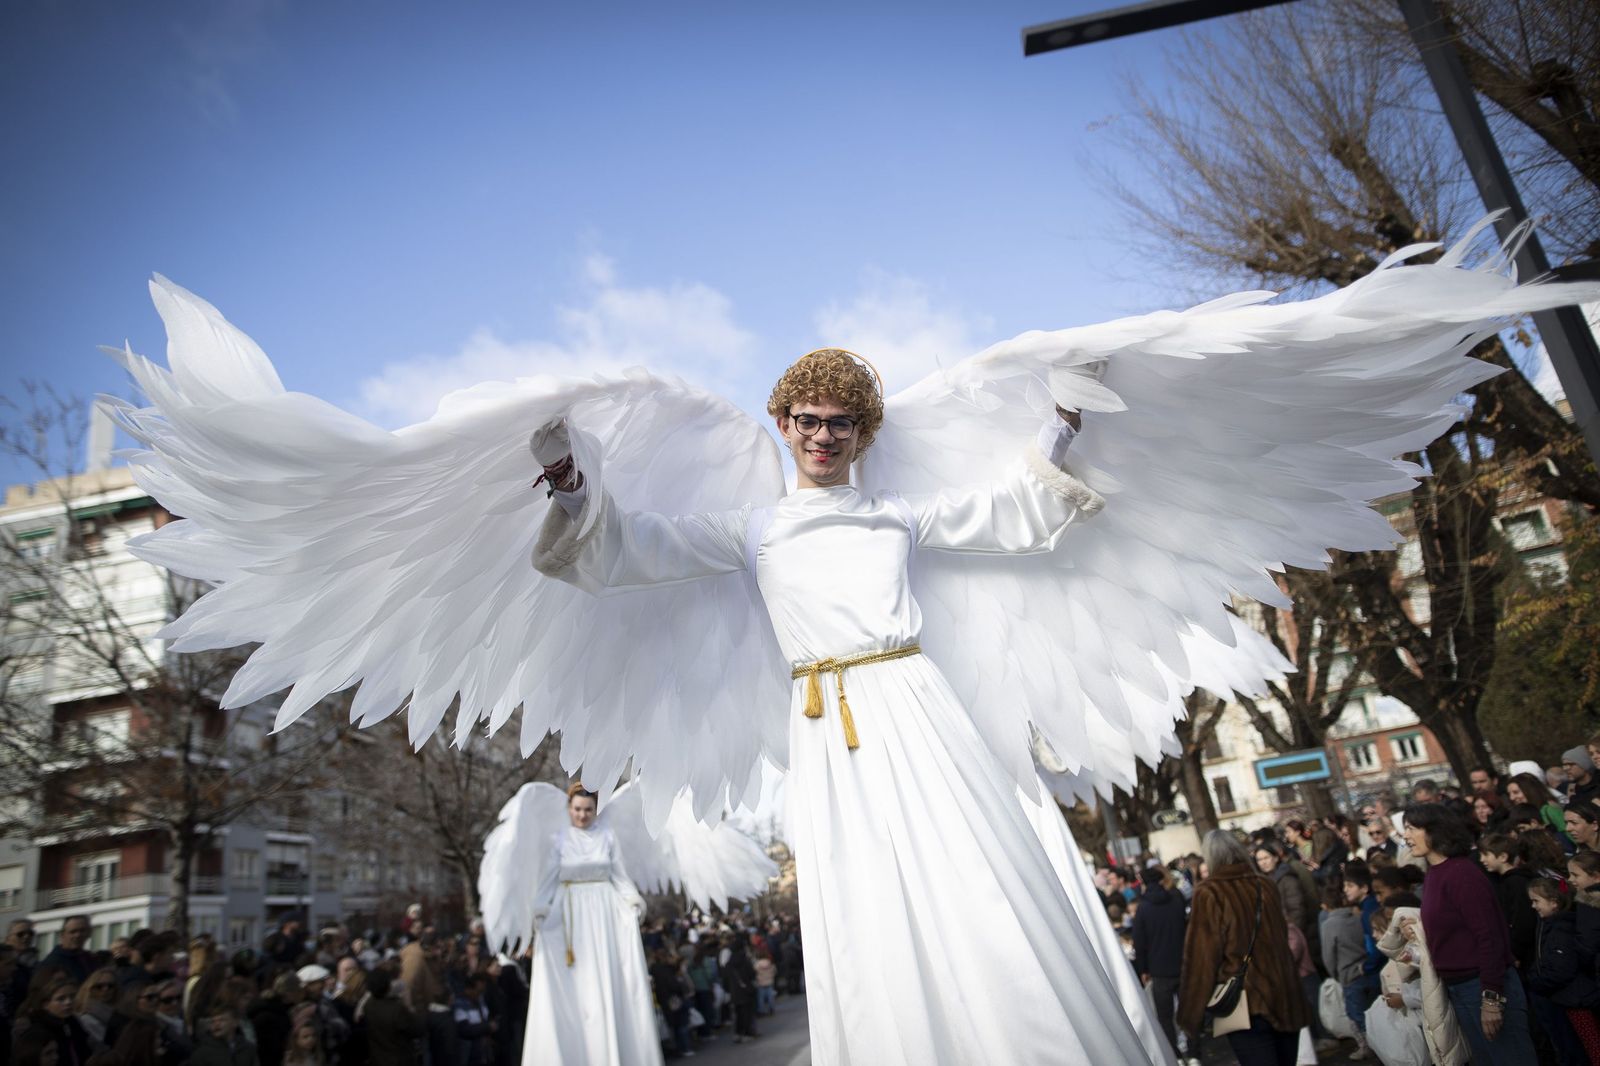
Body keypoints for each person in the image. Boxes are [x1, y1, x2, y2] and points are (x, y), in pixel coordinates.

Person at [115, 232, 1600, 1066]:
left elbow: (1015, 514)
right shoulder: (753, 527)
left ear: (862, 433)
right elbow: (627, 555)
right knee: (874, 933)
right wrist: (570, 490)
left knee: (978, 888)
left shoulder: (897, 508)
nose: (822, 435)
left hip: (919, 715)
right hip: (828, 744)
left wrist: (1070, 429)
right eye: (806, 420)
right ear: (783, 427)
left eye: (841, 422)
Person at [523, 784, 661, 1065]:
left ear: (595, 811)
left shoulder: (607, 837)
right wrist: (540, 910)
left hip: (605, 912)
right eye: (577, 809)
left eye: (588, 810)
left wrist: (632, 901)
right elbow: (549, 880)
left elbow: (619, 876)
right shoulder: (559, 840)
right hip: (569, 914)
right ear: (569, 809)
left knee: (608, 975)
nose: (582, 815)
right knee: (577, 983)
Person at [1401, 802, 1537, 1065]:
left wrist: (1491, 999)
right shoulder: (1434, 873)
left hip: (1484, 986)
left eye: (1410, 828)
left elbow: (1489, 937)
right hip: (1459, 988)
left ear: (1435, 830)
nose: (1405, 835)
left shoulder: (1461, 873)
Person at [1178, 831, 1308, 1066]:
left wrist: (1190, 1015)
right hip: (1284, 995)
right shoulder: (1265, 884)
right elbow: (1281, 940)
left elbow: (1201, 958)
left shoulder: (1209, 892)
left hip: (1245, 1002)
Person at [1130, 865, 1186, 1064]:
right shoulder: (1176, 899)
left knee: (1165, 1017)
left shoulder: (1143, 908)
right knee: (1188, 1012)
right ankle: (1195, 1052)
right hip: (1182, 964)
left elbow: (1140, 941)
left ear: (1144, 883)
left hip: (1158, 969)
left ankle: (1175, 1055)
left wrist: (1143, 968)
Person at [1321, 879, 1374, 1060]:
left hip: (1348, 974)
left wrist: (1336, 975)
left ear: (1325, 906)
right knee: (1371, 1009)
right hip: (1368, 969)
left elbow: (1328, 955)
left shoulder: (1329, 925)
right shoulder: (1358, 917)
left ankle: (1368, 1047)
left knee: (1355, 1013)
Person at [358, 968, 424, 1066]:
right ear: (388, 985)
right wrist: (410, 1008)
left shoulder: (368, 1006)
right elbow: (416, 1030)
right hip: (399, 1059)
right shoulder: (396, 1009)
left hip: (379, 1059)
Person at [188, 1005, 259, 1066]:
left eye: (222, 1020)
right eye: (213, 1021)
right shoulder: (202, 1053)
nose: (216, 1024)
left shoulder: (248, 1048)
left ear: (235, 1022)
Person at [1506, 773, 1569, 842]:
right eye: (1509, 794)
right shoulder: (1521, 815)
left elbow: (1569, 834)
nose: (1511, 798)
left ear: (1530, 790)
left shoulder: (1550, 810)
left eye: (1516, 792)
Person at [40, 917, 95, 986]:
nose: (78, 935)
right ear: (62, 935)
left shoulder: (91, 959)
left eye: (82, 931)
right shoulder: (53, 962)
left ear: (89, 933)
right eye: (73, 932)